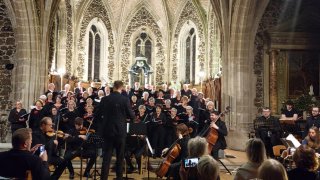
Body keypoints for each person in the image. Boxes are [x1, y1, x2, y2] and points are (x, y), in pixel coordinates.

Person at [97, 80, 135, 180]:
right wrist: (126, 118)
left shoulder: (105, 99)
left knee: (106, 158)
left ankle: (103, 178)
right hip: (120, 132)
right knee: (120, 157)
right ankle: (119, 177)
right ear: (121, 88)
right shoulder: (124, 99)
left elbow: (97, 116)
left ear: (113, 87)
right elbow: (132, 116)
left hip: (107, 132)